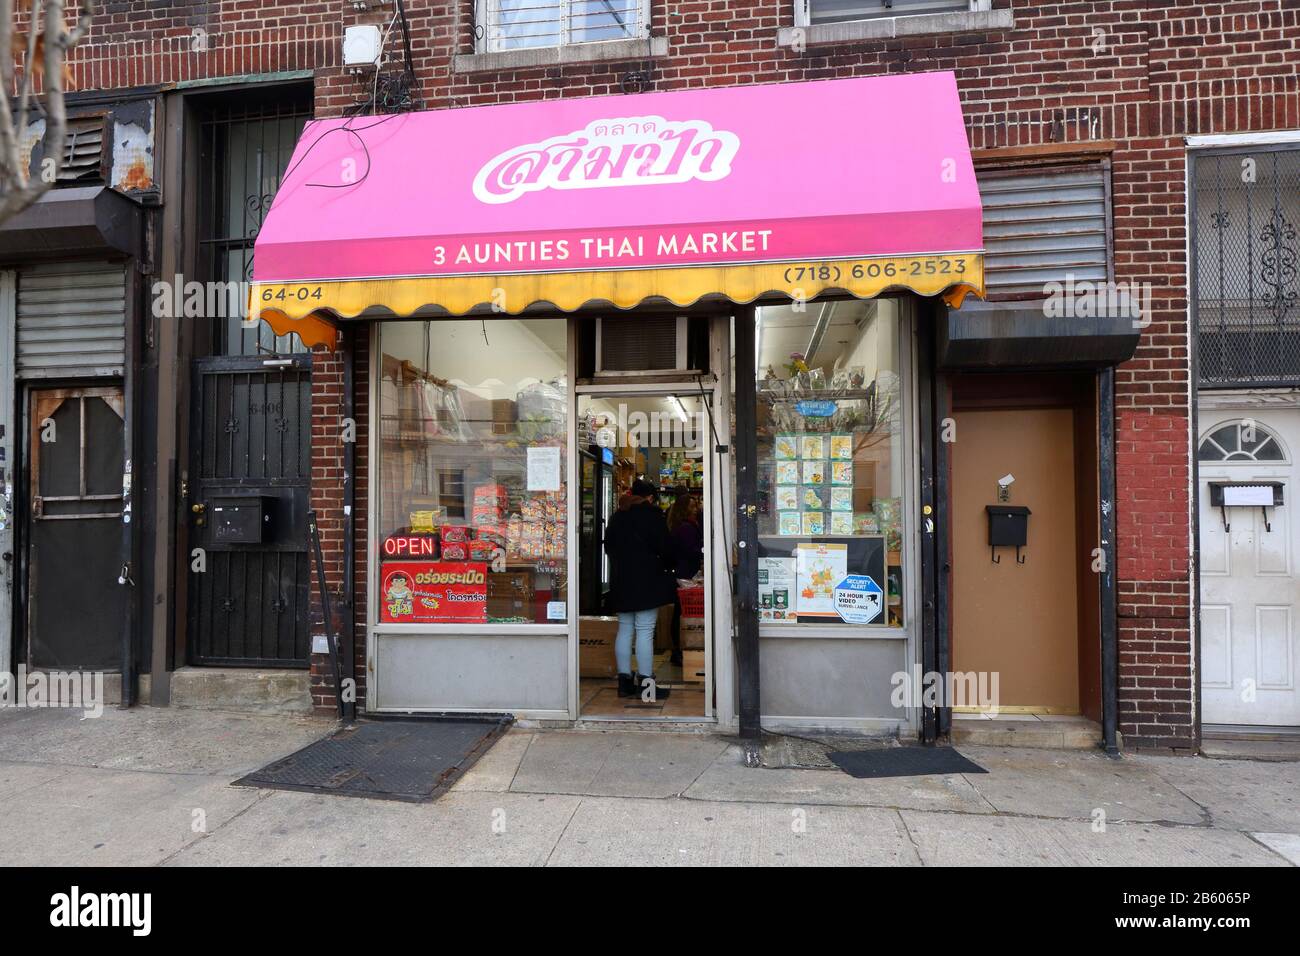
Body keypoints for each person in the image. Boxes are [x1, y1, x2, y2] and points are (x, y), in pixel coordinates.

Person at [604, 478, 675, 699]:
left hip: (621, 580)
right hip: (646, 580)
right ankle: (647, 685)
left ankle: (624, 683)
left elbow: (608, 547)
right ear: (650, 498)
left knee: (625, 629)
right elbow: (665, 548)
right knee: (645, 630)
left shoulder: (617, 516)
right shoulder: (652, 516)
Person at [666, 492, 703, 665]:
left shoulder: (680, 525)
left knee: (680, 612)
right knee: (683, 612)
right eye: (693, 506)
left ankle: (678, 649)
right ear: (686, 509)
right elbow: (690, 550)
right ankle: (679, 649)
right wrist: (704, 550)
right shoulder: (687, 527)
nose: (697, 508)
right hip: (686, 574)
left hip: (682, 572)